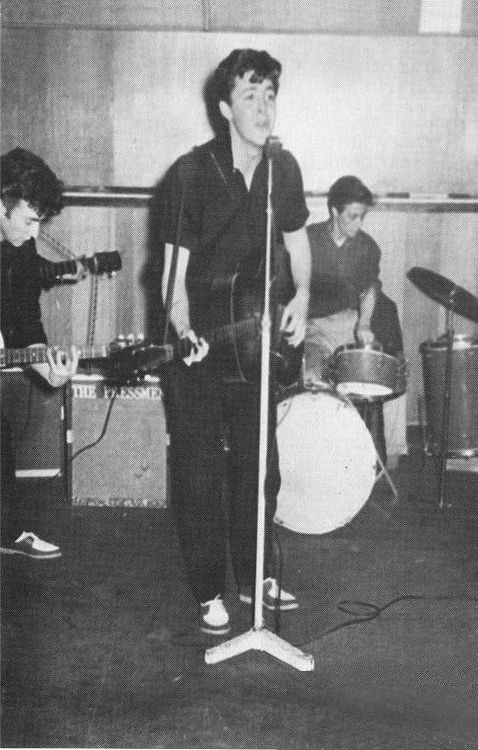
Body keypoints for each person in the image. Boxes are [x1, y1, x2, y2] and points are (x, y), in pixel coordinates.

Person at [160, 49, 311, 635]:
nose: (264, 108)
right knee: (200, 471)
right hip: (198, 339)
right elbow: (172, 276)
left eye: (270, 95)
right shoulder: (190, 173)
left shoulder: (283, 169)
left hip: (255, 340)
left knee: (259, 465)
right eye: (250, 96)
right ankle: (208, 591)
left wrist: (302, 297)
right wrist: (183, 331)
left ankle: (255, 574)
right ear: (225, 108)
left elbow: (298, 239)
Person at [1, 147, 78, 559]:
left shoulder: (19, 248)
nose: (34, 233)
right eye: (30, 220)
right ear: (3, 203)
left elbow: (26, 319)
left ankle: (7, 532)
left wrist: (49, 372)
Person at [306, 175, 403, 466]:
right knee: (312, 383)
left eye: (363, 217)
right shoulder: (307, 240)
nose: (359, 224)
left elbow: (369, 290)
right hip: (314, 327)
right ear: (334, 211)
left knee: (365, 383)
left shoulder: (367, 247)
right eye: (353, 216)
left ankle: (369, 464)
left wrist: (364, 324)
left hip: (350, 323)